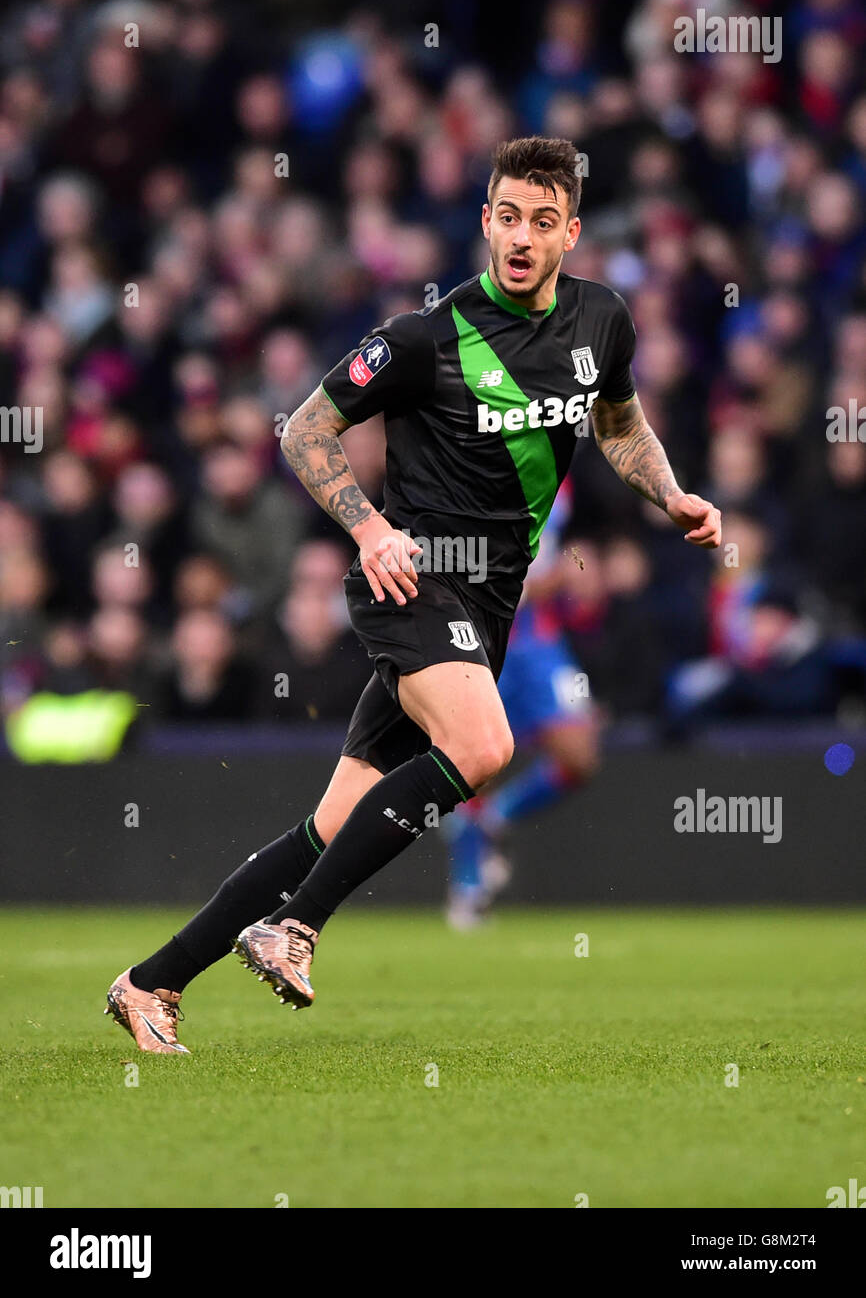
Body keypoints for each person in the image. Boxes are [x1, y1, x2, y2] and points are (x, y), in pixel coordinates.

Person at [104, 135, 721, 1053]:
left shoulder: (604, 325)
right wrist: (367, 526)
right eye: (507, 216)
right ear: (484, 222)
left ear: (571, 235)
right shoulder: (425, 337)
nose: (520, 236)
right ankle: (293, 927)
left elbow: (621, 425)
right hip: (411, 581)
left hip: (491, 607)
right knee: (484, 745)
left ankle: (151, 982)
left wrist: (670, 495)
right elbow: (307, 428)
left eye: (542, 222)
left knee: (330, 825)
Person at [445, 481, 601, 928]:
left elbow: (570, 547)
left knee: (580, 755)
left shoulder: (565, 469)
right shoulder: (473, 459)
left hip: (541, 639)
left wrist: (579, 564)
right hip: (483, 634)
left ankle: (497, 818)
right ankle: (469, 885)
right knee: (477, 758)